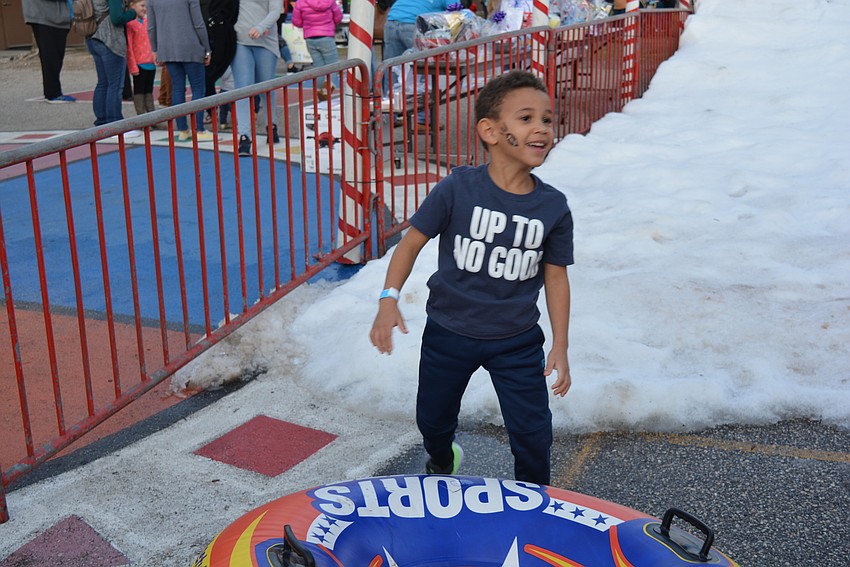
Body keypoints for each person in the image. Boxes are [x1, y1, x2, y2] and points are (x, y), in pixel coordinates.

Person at [369, 70, 574, 486]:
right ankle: (442, 460)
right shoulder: (457, 188)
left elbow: (556, 279)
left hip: (516, 341)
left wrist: (561, 345)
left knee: (534, 435)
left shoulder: (553, 207)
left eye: (548, 119)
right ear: (490, 130)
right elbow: (409, 245)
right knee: (433, 421)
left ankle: (533, 502)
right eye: (526, 118)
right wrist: (388, 299)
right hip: (449, 332)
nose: (541, 129)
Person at [147, 0, 215, 142]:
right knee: (198, 89)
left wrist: (155, 48)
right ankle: (199, 129)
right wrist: (207, 48)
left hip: (167, 47)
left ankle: (183, 129)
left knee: (177, 89)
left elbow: (151, 27)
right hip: (190, 45)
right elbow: (198, 23)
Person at [232, 0, 283, 157]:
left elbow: (275, 10)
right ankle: (244, 136)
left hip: (265, 41)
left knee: (266, 87)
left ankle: (271, 125)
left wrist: (261, 27)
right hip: (239, 40)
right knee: (243, 89)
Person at [86, 0, 140, 133]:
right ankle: (115, 122)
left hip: (92, 36)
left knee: (103, 82)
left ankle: (101, 120)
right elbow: (117, 18)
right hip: (110, 39)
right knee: (115, 85)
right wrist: (133, 13)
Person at [23, 0, 76, 103]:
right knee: (52, 56)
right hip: (49, 17)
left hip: (44, 15)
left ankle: (51, 91)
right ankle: (53, 93)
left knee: (50, 56)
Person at [291, 0, 342, 100]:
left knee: (318, 67)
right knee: (332, 66)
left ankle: (320, 92)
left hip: (310, 37)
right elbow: (338, 17)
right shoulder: (330, 1)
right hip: (327, 36)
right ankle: (328, 89)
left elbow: (296, 21)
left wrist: (307, 25)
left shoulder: (301, 2)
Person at [126, 0, 157, 116]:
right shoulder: (130, 24)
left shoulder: (149, 21)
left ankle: (151, 116)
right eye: (142, 6)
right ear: (133, 6)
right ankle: (141, 117)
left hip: (151, 62)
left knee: (149, 90)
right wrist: (132, 66)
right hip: (139, 63)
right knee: (139, 91)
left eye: (146, 6)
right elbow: (129, 46)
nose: (144, 8)